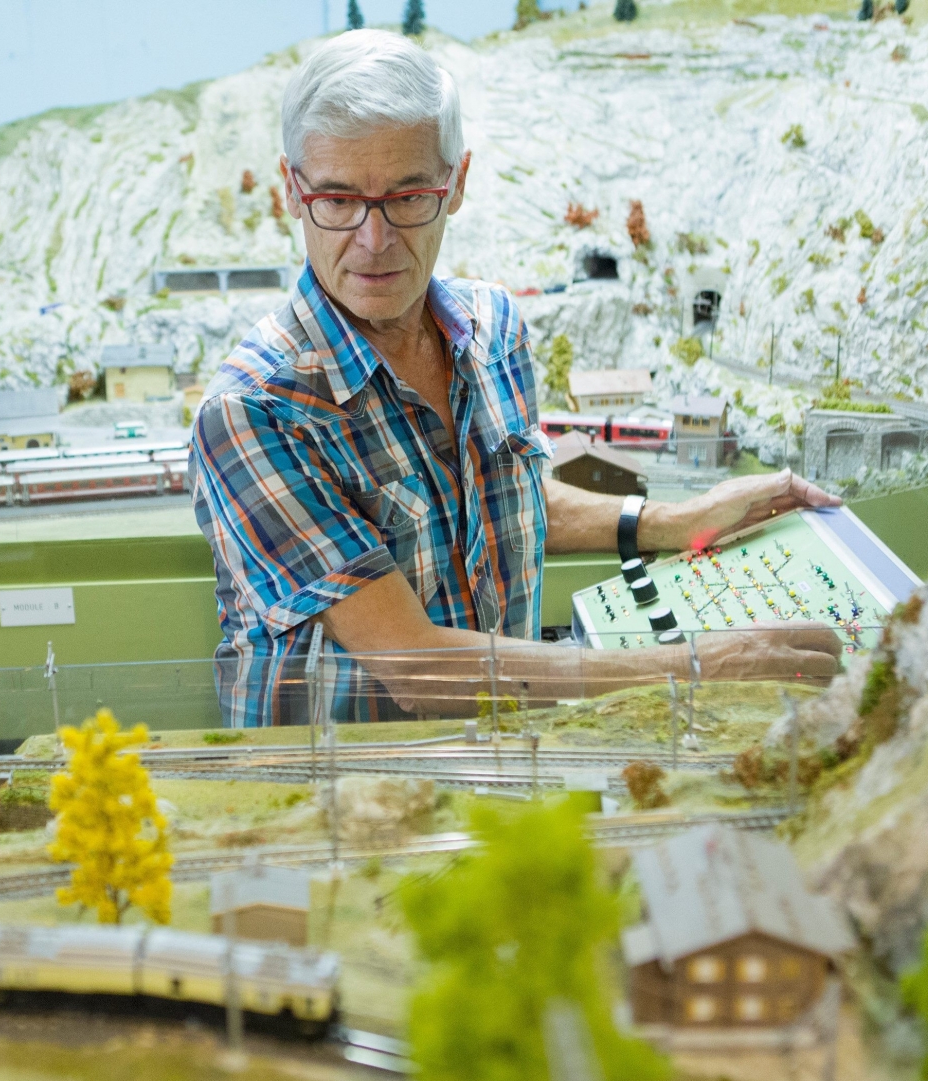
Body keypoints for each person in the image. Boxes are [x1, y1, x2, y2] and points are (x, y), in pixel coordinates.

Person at [189, 29, 842, 727]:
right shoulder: (256, 410)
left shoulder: (494, 329)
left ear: (458, 182)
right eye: (339, 201)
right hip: (343, 798)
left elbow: (499, 501)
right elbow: (417, 669)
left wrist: (676, 523)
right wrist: (701, 668)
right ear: (294, 191)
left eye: (410, 196)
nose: (372, 240)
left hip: (504, 752)